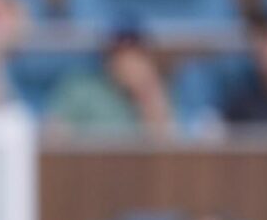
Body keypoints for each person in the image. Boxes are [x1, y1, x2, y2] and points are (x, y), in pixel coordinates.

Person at [47, 24, 175, 138]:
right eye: (119, 51)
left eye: (133, 50)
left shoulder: (157, 90)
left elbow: (166, 144)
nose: (127, 59)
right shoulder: (80, 88)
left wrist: (146, 90)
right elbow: (53, 137)